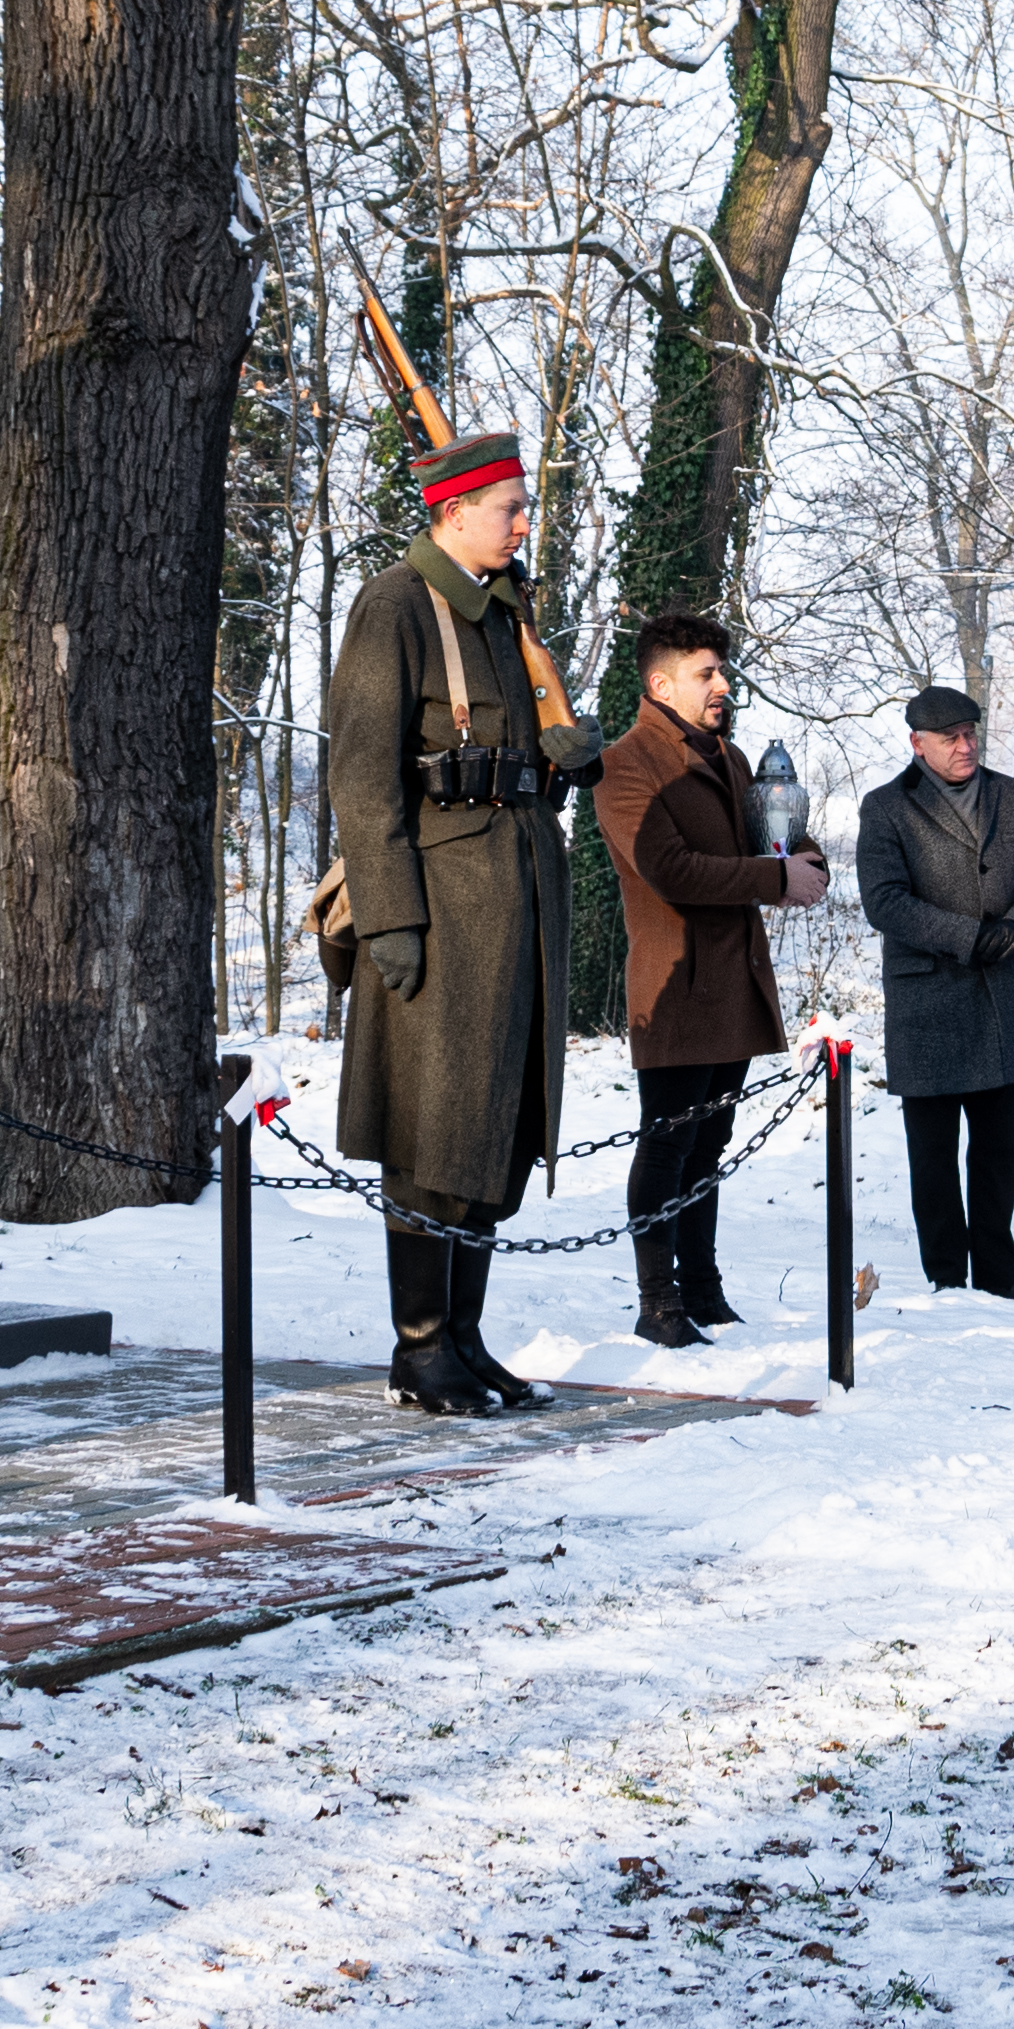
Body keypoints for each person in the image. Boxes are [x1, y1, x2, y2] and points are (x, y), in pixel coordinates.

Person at [326, 430, 578, 1412]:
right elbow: (362, 771)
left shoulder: (505, 610)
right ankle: (419, 1346)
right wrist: (390, 916)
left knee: (491, 1128)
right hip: (439, 912)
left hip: (514, 905)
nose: (524, 521)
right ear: (453, 511)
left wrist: (561, 752)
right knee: (432, 1133)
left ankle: (462, 1338)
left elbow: (513, 755)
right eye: (509, 506)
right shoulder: (394, 604)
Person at [591, 611, 819, 1349]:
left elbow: (772, 835)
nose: (723, 684)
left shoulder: (733, 756)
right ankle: (658, 1303)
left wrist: (800, 851)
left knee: (710, 1143)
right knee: (667, 1145)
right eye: (706, 673)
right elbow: (670, 871)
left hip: (735, 981)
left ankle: (703, 1291)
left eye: (723, 670)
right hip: (676, 985)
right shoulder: (627, 762)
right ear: (660, 684)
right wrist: (774, 876)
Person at [855, 687, 1014, 1299]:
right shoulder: (885, 806)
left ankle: (1000, 1278)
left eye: (972, 733)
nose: (967, 745)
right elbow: (884, 901)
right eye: (951, 738)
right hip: (929, 1004)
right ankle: (947, 1279)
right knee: (935, 1158)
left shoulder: (1011, 794)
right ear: (918, 744)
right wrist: (970, 937)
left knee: (999, 1153)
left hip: (1001, 994)